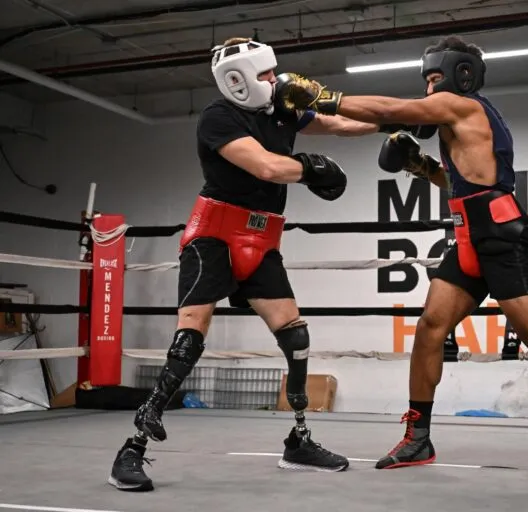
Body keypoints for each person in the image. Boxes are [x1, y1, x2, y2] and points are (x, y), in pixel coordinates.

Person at [272, 34, 528, 469]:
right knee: (430, 327)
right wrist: (421, 167)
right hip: (468, 237)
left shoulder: (464, 106)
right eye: (428, 79)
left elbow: (391, 112)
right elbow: (460, 183)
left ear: (462, 75)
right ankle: (418, 438)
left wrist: (324, 98)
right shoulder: (455, 121)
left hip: (502, 240)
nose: (430, 88)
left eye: (437, 78)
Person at [107, 37, 423, 491]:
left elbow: (336, 123)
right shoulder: (219, 117)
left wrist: (392, 121)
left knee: (295, 334)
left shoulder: (281, 106)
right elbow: (266, 168)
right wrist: (312, 169)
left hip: (262, 237)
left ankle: (298, 440)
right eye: (264, 75)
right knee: (191, 334)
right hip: (213, 235)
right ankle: (132, 447)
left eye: (273, 72)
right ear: (236, 81)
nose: (274, 81)